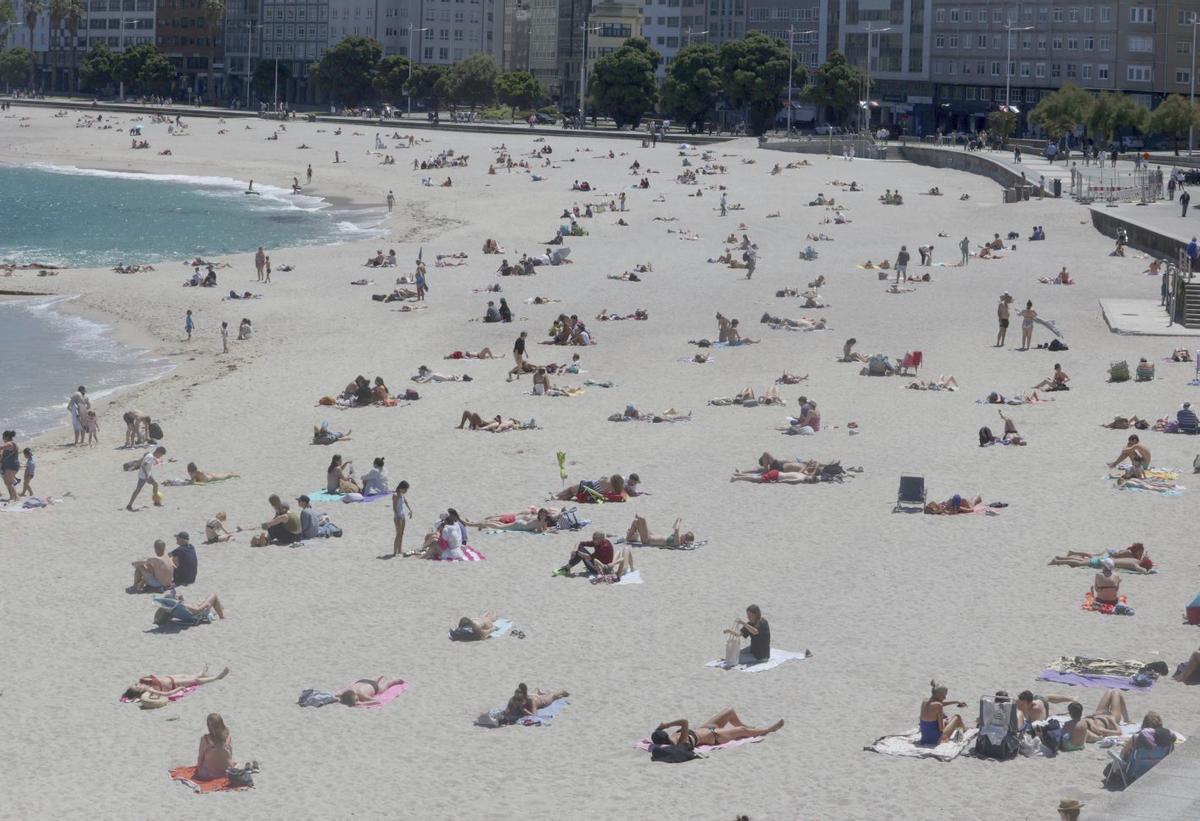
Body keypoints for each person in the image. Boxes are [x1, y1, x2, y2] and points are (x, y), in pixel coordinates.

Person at [651, 710, 784, 748]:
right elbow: (684, 722)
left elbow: (656, 734)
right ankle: (768, 730)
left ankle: (747, 726)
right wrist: (667, 725)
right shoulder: (679, 742)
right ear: (666, 737)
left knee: (730, 712)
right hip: (715, 737)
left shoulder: (666, 738)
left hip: (705, 728)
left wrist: (660, 727)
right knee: (742, 731)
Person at [122, 666, 229, 701]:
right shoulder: (148, 690)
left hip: (170, 678)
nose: (137, 683)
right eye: (136, 686)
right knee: (195, 681)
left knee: (187, 676)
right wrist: (178, 690)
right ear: (139, 691)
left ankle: (199, 673)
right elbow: (166, 695)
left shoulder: (144, 681)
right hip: (172, 684)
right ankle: (217, 677)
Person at [195, 713, 235, 780]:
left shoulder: (205, 739)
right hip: (227, 773)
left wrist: (199, 771)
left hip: (209, 774)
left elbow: (200, 758)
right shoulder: (228, 737)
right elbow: (230, 755)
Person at [503, 683, 571, 722]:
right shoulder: (513, 699)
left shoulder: (531, 701)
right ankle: (537, 690)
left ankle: (562, 691)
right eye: (516, 698)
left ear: (523, 698)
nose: (516, 701)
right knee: (534, 694)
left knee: (552, 696)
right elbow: (507, 709)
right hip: (531, 695)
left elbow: (534, 714)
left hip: (539, 700)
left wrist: (524, 710)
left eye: (519, 699)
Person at [126, 445, 166, 511]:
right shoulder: (150, 457)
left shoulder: (150, 455)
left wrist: (135, 466)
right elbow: (143, 466)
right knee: (137, 490)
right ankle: (129, 505)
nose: (160, 456)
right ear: (158, 452)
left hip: (148, 474)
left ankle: (156, 502)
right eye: (161, 455)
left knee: (155, 484)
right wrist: (146, 476)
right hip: (143, 476)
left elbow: (141, 460)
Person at [625, 514, 695, 547]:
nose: (683, 534)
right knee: (636, 521)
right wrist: (677, 520)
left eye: (685, 535)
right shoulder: (678, 538)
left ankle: (629, 537)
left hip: (648, 540)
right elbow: (674, 527)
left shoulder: (678, 542)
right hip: (650, 535)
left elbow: (676, 529)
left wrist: (679, 521)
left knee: (643, 519)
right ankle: (629, 537)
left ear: (685, 539)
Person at [338, 676, 406, 706]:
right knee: (370, 684)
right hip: (362, 681)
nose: (358, 701)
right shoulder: (349, 691)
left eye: (356, 700)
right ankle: (377, 678)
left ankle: (393, 680)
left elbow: (377, 701)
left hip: (374, 687)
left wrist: (363, 703)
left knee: (384, 687)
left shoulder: (362, 695)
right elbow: (340, 695)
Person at [391, 480, 412, 557]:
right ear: (401, 488)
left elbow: (406, 502)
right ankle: (394, 552)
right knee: (398, 534)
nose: (406, 491)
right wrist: (397, 516)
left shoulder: (402, 494)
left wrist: (410, 510)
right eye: (405, 489)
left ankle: (399, 550)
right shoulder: (395, 495)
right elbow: (394, 507)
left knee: (402, 534)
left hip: (402, 516)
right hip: (398, 517)